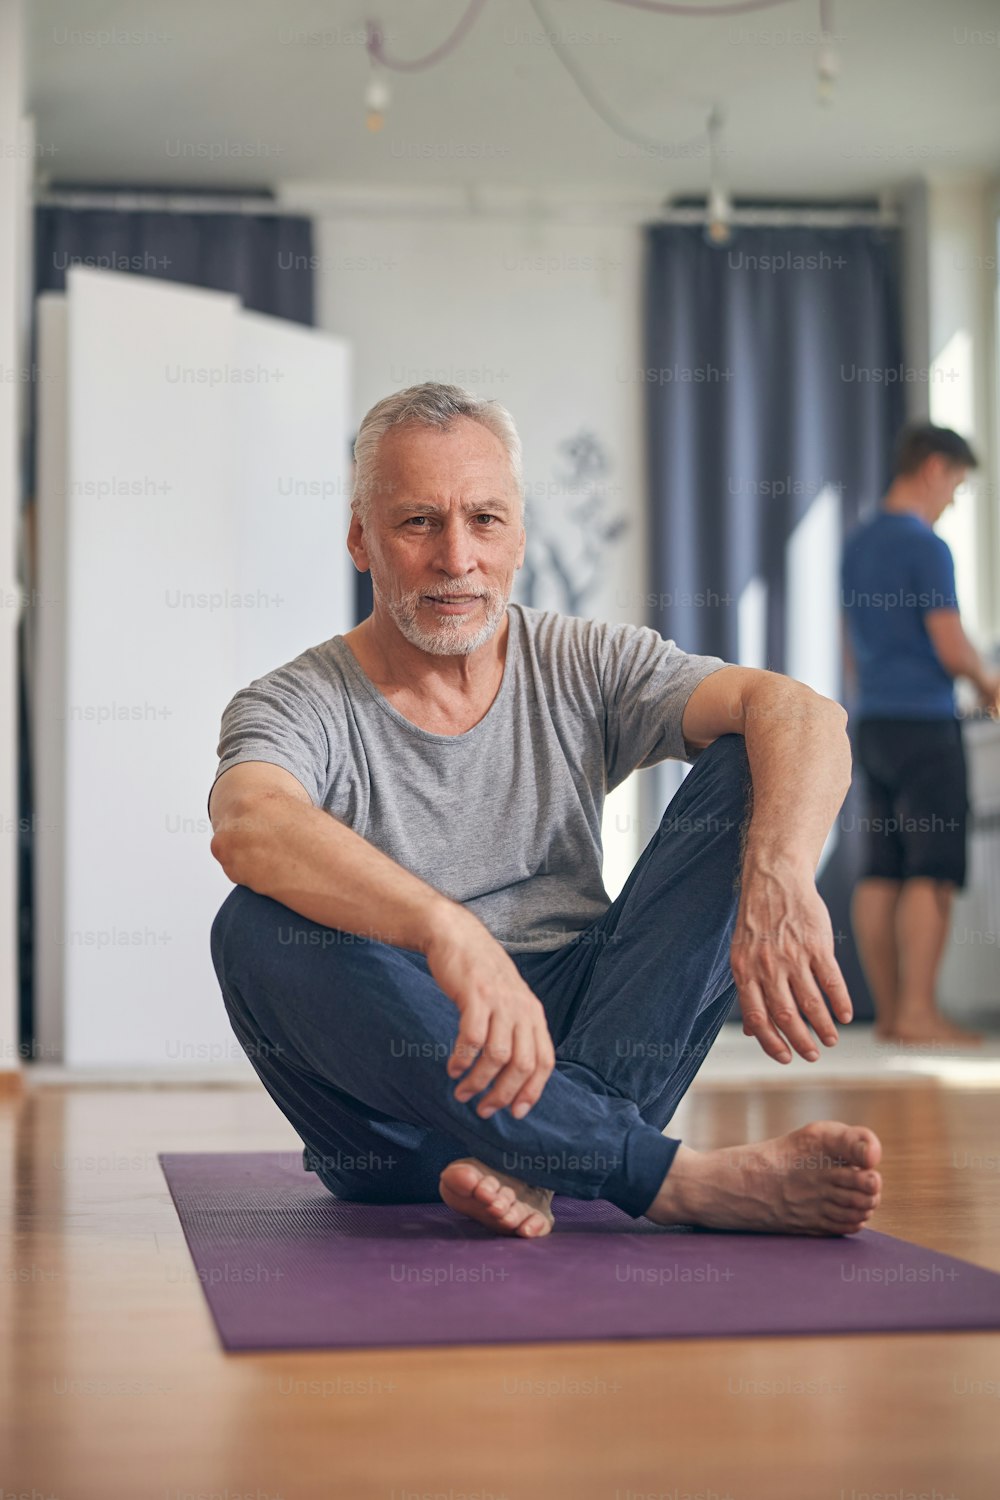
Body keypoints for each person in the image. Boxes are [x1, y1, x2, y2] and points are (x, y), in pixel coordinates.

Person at [207, 382, 881, 1240]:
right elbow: (249, 824)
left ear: (519, 535)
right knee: (252, 927)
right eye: (420, 522)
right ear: (359, 537)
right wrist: (448, 935)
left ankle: (550, 1156)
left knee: (757, 758)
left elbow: (803, 712)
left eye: (484, 520)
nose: (458, 557)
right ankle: (658, 1176)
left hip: (582, 1042)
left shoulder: (583, 659)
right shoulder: (296, 700)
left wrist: (780, 874)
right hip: (406, 1106)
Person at [841, 421, 1000, 1045]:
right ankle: (918, 1012)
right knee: (931, 868)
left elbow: (850, 646)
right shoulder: (925, 545)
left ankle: (890, 1015)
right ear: (933, 467)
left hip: (874, 720)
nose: (953, 498)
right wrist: (989, 684)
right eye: (956, 484)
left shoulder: (857, 543)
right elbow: (950, 642)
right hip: (925, 722)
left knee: (883, 868)